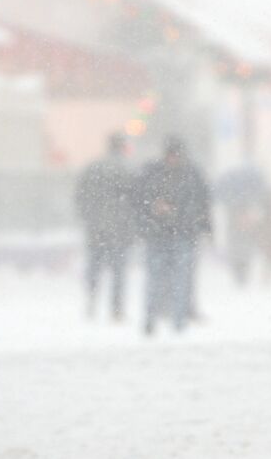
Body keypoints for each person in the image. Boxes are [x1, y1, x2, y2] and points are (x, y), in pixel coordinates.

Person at [135, 136, 210, 335]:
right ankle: (153, 320)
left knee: (178, 280)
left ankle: (177, 321)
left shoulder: (186, 175)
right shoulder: (185, 175)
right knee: (159, 280)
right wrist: (154, 210)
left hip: (179, 235)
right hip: (162, 235)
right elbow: (141, 201)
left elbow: (201, 204)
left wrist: (169, 212)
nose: (173, 159)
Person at [75, 133, 136, 320]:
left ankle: (92, 300)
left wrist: (87, 217)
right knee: (118, 271)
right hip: (120, 229)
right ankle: (116, 308)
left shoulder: (93, 167)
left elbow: (80, 196)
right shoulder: (127, 169)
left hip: (95, 228)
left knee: (94, 268)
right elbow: (136, 199)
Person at [215, 157, 265, 286]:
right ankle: (242, 268)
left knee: (239, 245)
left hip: (237, 223)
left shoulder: (230, 195)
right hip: (243, 222)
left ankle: (240, 268)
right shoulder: (250, 192)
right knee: (244, 245)